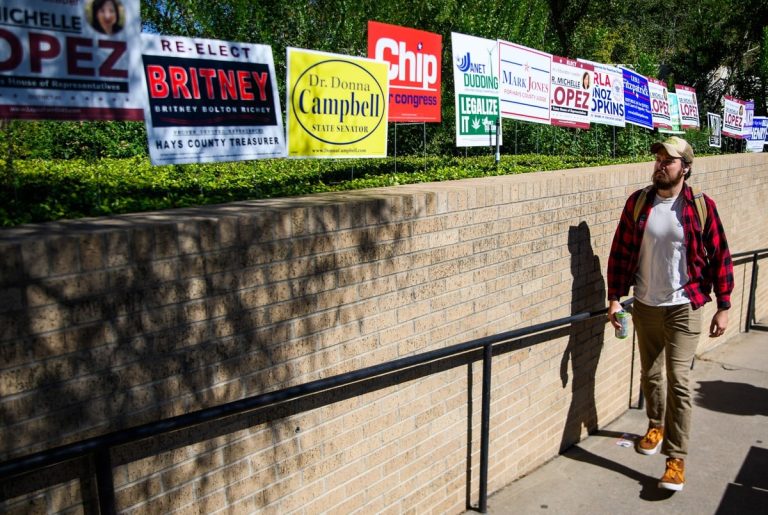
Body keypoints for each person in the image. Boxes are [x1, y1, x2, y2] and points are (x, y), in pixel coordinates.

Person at [606, 136, 734, 492]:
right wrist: (615, 297)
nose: (661, 164)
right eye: (659, 158)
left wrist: (723, 305)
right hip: (646, 304)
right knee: (651, 375)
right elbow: (619, 251)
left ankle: (676, 459)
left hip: (685, 305)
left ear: (685, 168)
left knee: (679, 380)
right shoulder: (639, 203)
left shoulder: (699, 206)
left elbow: (720, 255)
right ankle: (655, 425)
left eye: (669, 160)